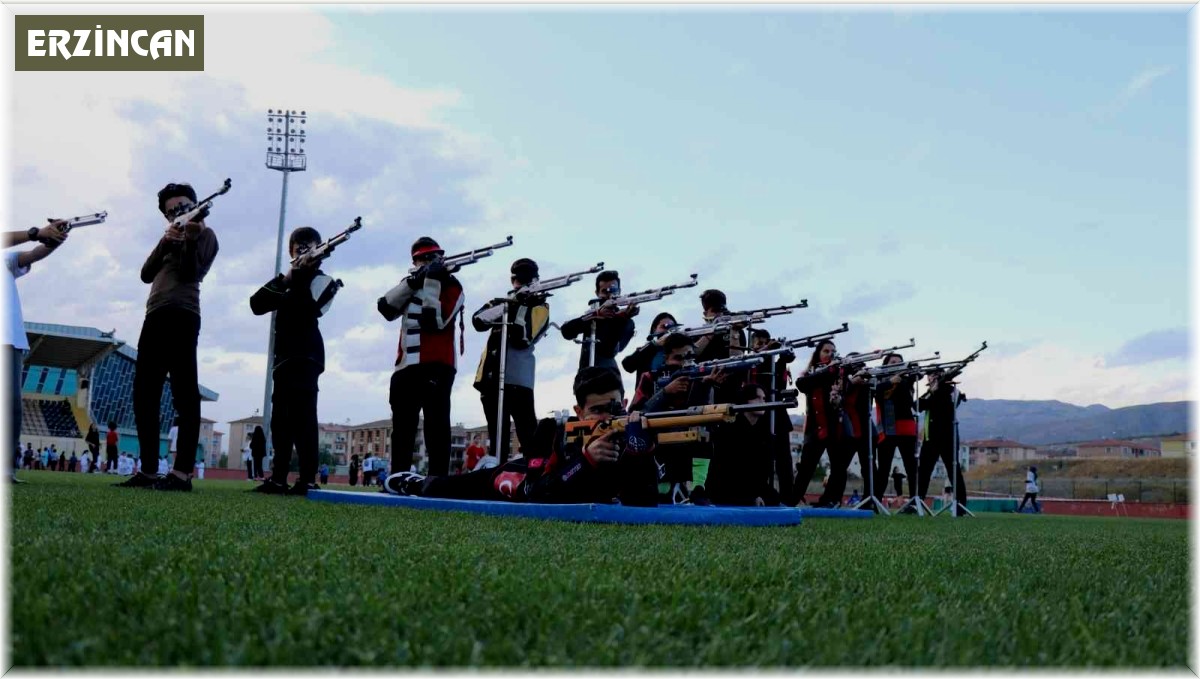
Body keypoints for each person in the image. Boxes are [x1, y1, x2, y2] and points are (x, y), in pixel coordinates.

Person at [386, 367, 658, 506]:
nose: (606, 418)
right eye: (596, 411)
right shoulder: (559, 433)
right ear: (579, 412)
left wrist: (641, 454)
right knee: (451, 487)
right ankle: (415, 483)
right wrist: (586, 460)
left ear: (624, 404)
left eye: (613, 408)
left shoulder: (631, 434)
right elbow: (538, 493)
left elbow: (644, 502)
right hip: (514, 480)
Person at [122, 181, 220, 492]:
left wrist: (189, 239)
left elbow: (192, 273)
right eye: (171, 210)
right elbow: (145, 274)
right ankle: (149, 471)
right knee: (144, 394)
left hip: (183, 314)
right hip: (155, 314)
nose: (178, 211)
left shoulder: (206, 235)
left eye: (183, 205)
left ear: (195, 204)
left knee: (185, 393)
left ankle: (181, 474)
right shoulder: (169, 235)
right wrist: (167, 242)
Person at [250, 227, 341, 496]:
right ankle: (278, 478)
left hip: (306, 356)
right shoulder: (288, 280)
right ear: (291, 252)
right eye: (298, 248)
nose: (303, 251)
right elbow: (257, 304)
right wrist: (287, 278)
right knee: (281, 422)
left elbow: (308, 310)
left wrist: (299, 277)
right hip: (283, 359)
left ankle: (307, 479)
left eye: (309, 246)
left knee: (304, 419)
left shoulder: (325, 281)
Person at [378, 236, 465, 481]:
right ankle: (398, 479)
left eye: (434, 257)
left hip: (437, 365)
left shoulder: (452, 286)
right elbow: (385, 308)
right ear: (415, 262)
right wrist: (414, 282)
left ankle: (437, 482)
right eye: (423, 259)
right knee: (402, 429)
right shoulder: (410, 284)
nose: (429, 261)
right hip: (406, 367)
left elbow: (434, 321)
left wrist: (432, 283)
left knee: (437, 427)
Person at [3, 218, 69, 482]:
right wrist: (36, 232)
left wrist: (53, 239)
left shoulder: (5, 260)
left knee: (11, 405)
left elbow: (33, 254)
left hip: (8, 338)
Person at [629, 333, 727, 505]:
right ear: (665, 358)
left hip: (690, 439)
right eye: (677, 358)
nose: (683, 364)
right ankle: (664, 489)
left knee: (705, 433)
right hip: (659, 441)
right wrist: (665, 392)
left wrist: (704, 386)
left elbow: (701, 414)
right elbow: (635, 413)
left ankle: (698, 488)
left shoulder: (699, 376)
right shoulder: (650, 378)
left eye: (688, 358)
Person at [472, 258, 550, 465]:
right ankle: (496, 474)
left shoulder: (540, 307)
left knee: (528, 436)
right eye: (516, 279)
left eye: (524, 279)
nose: (518, 283)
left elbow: (522, 337)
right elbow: (478, 320)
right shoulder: (503, 302)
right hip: (491, 378)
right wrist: (512, 303)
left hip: (518, 381)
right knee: (497, 438)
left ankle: (534, 474)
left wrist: (522, 305)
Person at [708, 384, 781, 507]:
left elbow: (762, 472)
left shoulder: (764, 434)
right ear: (746, 400)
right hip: (729, 486)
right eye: (757, 398)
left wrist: (759, 494)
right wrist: (752, 496)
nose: (762, 402)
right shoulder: (730, 429)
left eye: (764, 398)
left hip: (753, 487)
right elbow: (730, 470)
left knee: (774, 498)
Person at [794, 340, 846, 508]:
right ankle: (792, 499)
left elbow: (844, 397)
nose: (830, 354)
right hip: (814, 427)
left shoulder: (838, 374)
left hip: (834, 427)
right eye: (826, 351)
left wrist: (837, 398)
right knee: (806, 468)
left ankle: (830, 500)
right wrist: (828, 370)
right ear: (818, 353)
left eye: (833, 351)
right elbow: (801, 384)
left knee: (838, 467)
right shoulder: (812, 373)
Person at [749, 328, 797, 505]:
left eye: (766, 343)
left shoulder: (776, 364)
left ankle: (788, 499)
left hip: (779, 417)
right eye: (759, 344)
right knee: (761, 460)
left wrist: (781, 352)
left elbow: (787, 361)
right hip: (760, 417)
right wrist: (766, 350)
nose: (764, 346)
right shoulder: (751, 364)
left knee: (784, 462)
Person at [558, 270, 637, 375]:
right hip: (586, 375)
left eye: (613, 291)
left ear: (619, 291)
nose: (610, 295)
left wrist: (622, 318)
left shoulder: (626, 322)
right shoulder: (592, 316)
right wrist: (595, 315)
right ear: (597, 293)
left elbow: (611, 350)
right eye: (605, 291)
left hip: (608, 375)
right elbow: (566, 331)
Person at [916, 370, 967, 510]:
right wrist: (932, 391)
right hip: (930, 438)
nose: (932, 377)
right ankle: (918, 502)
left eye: (936, 374)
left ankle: (961, 505)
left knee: (953, 471)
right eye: (930, 375)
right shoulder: (930, 392)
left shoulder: (952, 390)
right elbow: (917, 406)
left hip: (948, 438)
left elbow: (948, 405)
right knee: (924, 471)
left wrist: (938, 390)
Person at [874, 353, 919, 501]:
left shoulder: (906, 380)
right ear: (886, 365)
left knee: (911, 467)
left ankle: (914, 500)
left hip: (906, 427)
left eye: (899, 362)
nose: (896, 365)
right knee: (884, 467)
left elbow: (918, 376)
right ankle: (877, 500)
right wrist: (890, 382)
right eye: (893, 362)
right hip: (888, 428)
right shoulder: (879, 380)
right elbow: (877, 393)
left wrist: (912, 370)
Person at [621, 312, 679, 387]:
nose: (668, 331)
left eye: (673, 328)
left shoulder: (680, 350)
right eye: (664, 326)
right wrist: (654, 345)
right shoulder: (646, 350)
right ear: (654, 329)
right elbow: (628, 365)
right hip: (648, 393)